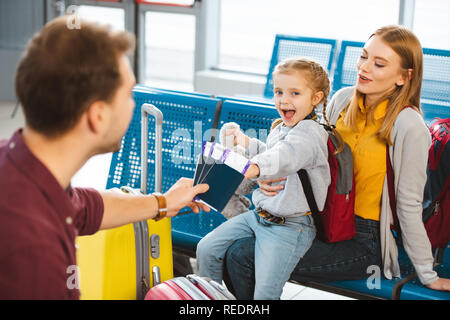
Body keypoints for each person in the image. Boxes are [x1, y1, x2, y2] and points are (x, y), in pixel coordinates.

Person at [222, 25, 450, 299]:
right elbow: (301, 153)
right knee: (233, 247)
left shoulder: (409, 126)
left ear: (403, 77)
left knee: (242, 255)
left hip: (366, 242)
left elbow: (409, 204)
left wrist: (428, 274)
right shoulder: (342, 101)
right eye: (363, 57)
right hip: (320, 221)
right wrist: (267, 178)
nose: (364, 68)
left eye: (378, 64)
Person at [0, 16, 210, 299]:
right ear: (97, 116)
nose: (133, 106)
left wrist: (162, 203)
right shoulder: (35, 250)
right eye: (127, 95)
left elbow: (85, 207)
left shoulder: (22, 166)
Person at [196, 58, 334, 300]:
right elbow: (271, 152)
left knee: (265, 294)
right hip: (259, 217)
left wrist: (253, 167)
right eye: (278, 91)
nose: (284, 99)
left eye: (295, 93)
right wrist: (247, 143)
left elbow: (285, 156)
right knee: (206, 249)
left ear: (316, 98)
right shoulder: (282, 127)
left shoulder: (310, 135)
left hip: (290, 227)